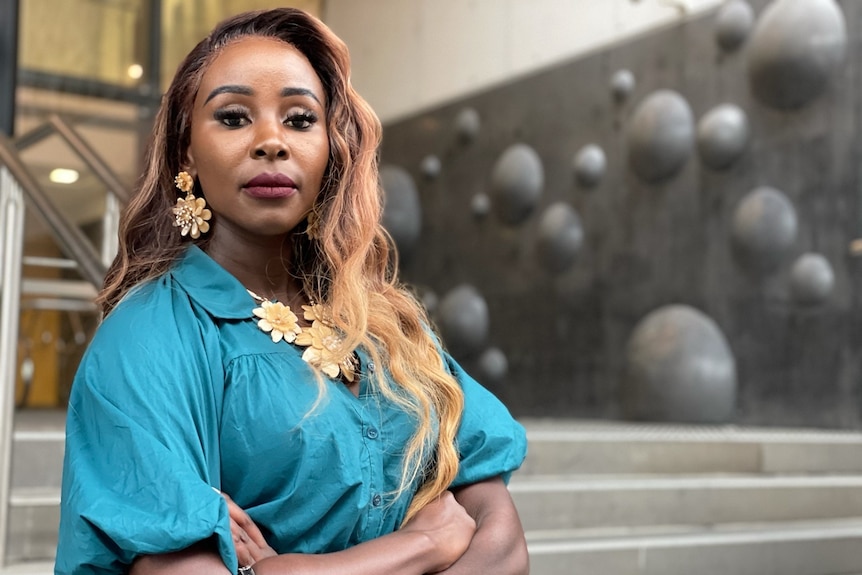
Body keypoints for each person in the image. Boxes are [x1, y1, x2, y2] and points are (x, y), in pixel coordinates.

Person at [55, 7, 528, 575]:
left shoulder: (389, 326)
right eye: (233, 117)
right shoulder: (146, 341)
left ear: (331, 148)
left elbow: (505, 549)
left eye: (300, 119)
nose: (271, 142)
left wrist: (286, 571)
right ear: (187, 151)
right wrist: (423, 547)